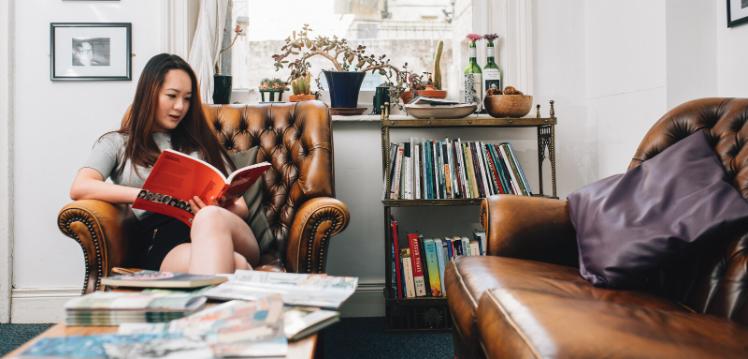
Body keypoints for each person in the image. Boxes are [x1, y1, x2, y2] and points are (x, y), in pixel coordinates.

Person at [69, 53, 260, 274]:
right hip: (166, 242)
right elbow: (80, 187)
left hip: (226, 228)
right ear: (149, 93)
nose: (180, 106)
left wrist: (214, 208)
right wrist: (146, 196)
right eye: (172, 95)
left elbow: (242, 208)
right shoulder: (116, 143)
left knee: (209, 217)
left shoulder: (202, 142)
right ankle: (235, 294)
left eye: (187, 98)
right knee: (235, 265)